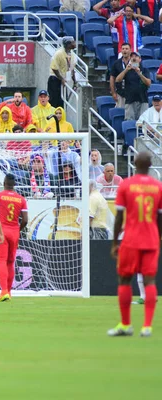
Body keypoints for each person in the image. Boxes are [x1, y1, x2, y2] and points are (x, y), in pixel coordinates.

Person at [109, 151, 161, 337]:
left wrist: (115, 242)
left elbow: (119, 217)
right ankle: (147, 326)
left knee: (124, 279)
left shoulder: (127, 185)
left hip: (131, 240)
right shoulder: (158, 186)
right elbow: (160, 217)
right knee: (149, 280)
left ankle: (125, 324)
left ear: (134, 163)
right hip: (151, 239)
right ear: (150, 165)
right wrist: (159, 238)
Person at [0, 174, 28, 302]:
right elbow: (25, 220)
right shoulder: (21, 199)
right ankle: (9, 292)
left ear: (4, 182)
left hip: (2, 231)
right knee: (11, 262)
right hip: (14, 231)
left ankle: (4, 291)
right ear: (14, 184)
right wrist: (17, 229)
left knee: (1, 260)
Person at [113, 51, 151, 120]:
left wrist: (139, 74)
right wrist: (126, 70)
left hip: (143, 100)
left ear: (140, 59)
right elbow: (117, 80)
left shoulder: (145, 70)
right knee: (129, 121)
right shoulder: (127, 70)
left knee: (144, 122)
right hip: (130, 100)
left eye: (136, 56)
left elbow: (148, 83)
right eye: (132, 56)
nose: (134, 58)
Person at [48, 36, 77, 108]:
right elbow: (54, 68)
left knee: (62, 103)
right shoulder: (59, 53)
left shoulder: (72, 55)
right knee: (53, 101)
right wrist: (61, 79)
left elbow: (72, 68)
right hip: (55, 79)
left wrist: (75, 81)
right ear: (68, 44)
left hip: (63, 79)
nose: (75, 43)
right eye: (73, 42)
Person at [109, 43, 132, 108]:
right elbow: (112, 78)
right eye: (123, 49)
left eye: (127, 49)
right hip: (120, 93)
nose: (124, 50)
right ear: (121, 51)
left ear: (130, 50)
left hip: (132, 93)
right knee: (120, 112)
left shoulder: (134, 63)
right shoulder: (116, 63)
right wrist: (113, 93)